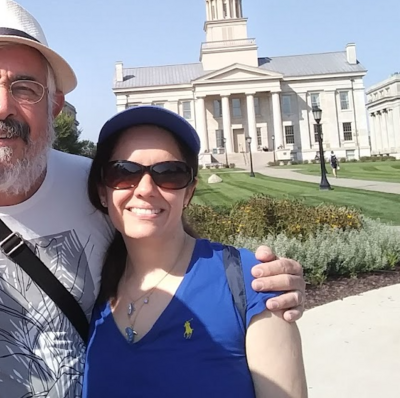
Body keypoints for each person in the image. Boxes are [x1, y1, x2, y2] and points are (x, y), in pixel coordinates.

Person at [0, 0, 307, 397]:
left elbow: (169, 242)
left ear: (54, 106)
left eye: (25, 88)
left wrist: (261, 285)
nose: (1, 106)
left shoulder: (102, 186)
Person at [82, 105, 307, 397]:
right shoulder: (93, 290)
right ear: (103, 191)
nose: (145, 188)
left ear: (188, 192)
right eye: (124, 172)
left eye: (169, 173)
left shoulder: (251, 283)